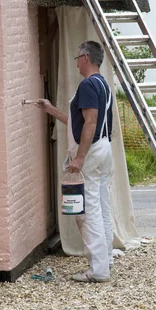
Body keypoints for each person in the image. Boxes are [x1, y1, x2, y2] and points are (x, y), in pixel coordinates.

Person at [36, 40, 113, 283]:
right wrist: (51, 110)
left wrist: (79, 157)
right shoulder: (103, 84)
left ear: (86, 58)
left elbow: (89, 122)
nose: (77, 62)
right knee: (101, 204)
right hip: (103, 149)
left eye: (78, 57)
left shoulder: (88, 84)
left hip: (90, 152)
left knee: (88, 211)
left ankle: (98, 270)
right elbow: (78, 121)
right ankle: (105, 258)